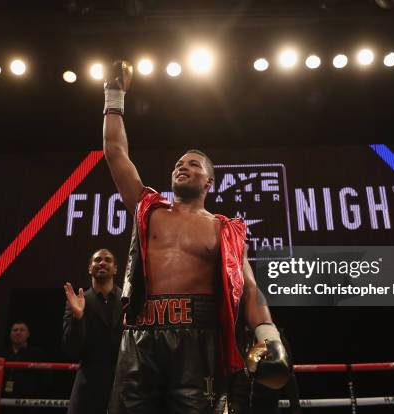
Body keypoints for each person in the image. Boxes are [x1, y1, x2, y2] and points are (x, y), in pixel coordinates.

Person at [102, 60, 290, 414]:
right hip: (141, 337)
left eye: (193, 164)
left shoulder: (225, 229)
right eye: (178, 163)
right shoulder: (149, 209)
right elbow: (115, 152)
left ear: (209, 182)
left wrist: (269, 336)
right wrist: (114, 94)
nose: (181, 166)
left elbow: (248, 288)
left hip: (198, 343)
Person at [62, 248, 123, 414]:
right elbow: (71, 349)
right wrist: (78, 317)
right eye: (97, 260)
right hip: (88, 387)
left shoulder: (127, 301)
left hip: (123, 385)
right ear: (90, 268)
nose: (102, 262)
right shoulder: (77, 302)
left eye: (107, 260)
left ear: (115, 268)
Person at [1, 321, 47, 413]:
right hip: (4, 402)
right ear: (10, 334)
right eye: (15, 330)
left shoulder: (37, 354)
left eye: (22, 330)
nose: (18, 332)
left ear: (28, 334)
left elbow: (45, 379)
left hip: (28, 404)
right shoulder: (2, 354)